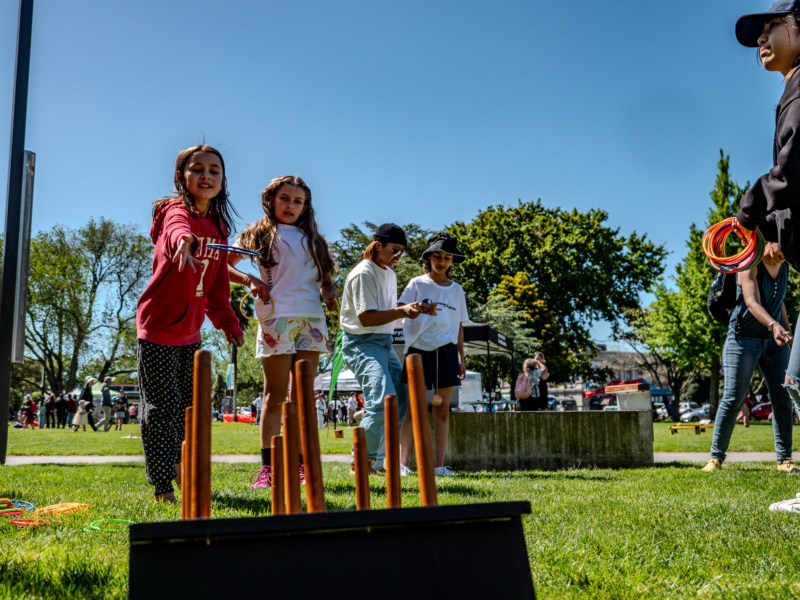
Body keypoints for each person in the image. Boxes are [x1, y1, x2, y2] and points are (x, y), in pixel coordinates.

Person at [136, 145, 244, 503]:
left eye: (214, 170)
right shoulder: (173, 211)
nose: (206, 176)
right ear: (181, 177)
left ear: (223, 179)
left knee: (187, 411)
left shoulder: (218, 226)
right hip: (159, 327)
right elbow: (174, 231)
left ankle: (183, 477)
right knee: (162, 409)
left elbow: (216, 283)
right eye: (197, 169)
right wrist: (183, 241)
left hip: (191, 332)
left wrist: (228, 322)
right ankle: (163, 486)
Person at [227, 175, 338, 489]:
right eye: (285, 198)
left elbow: (325, 278)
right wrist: (250, 280)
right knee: (275, 394)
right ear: (271, 200)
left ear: (306, 207)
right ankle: (269, 469)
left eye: (297, 201)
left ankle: (302, 466)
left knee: (303, 396)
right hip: (276, 318)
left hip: (312, 321)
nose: (290, 206)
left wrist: (329, 292)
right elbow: (223, 265)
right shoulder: (257, 233)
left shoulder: (315, 239)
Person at [339, 224, 432, 475]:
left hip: (384, 342)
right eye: (395, 250)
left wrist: (413, 308)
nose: (398, 256)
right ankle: (360, 463)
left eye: (402, 251)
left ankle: (377, 463)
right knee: (382, 399)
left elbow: (387, 313)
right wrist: (402, 311)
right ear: (378, 245)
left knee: (401, 397)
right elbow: (367, 318)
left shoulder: (389, 272)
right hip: (361, 342)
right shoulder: (363, 273)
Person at [701, 243, 795, 473]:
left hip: (774, 342)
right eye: (784, 243)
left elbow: (778, 300)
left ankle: (785, 459)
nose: (789, 251)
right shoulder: (749, 262)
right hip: (743, 338)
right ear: (770, 241)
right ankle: (716, 458)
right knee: (733, 398)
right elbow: (752, 302)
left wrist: (787, 333)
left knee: (783, 398)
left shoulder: (784, 267)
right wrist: (773, 324)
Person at [397, 233, 469, 477]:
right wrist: (415, 309)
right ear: (428, 257)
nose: (442, 261)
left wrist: (461, 356)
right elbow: (400, 309)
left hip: (447, 352)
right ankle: (402, 464)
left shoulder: (457, 290)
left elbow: (459, 325)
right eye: (437, 256)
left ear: (452, 261)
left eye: (447, 257)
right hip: (417, 351)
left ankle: (439, 467)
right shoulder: (417, 284)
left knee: (442, 410)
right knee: (414, 409)